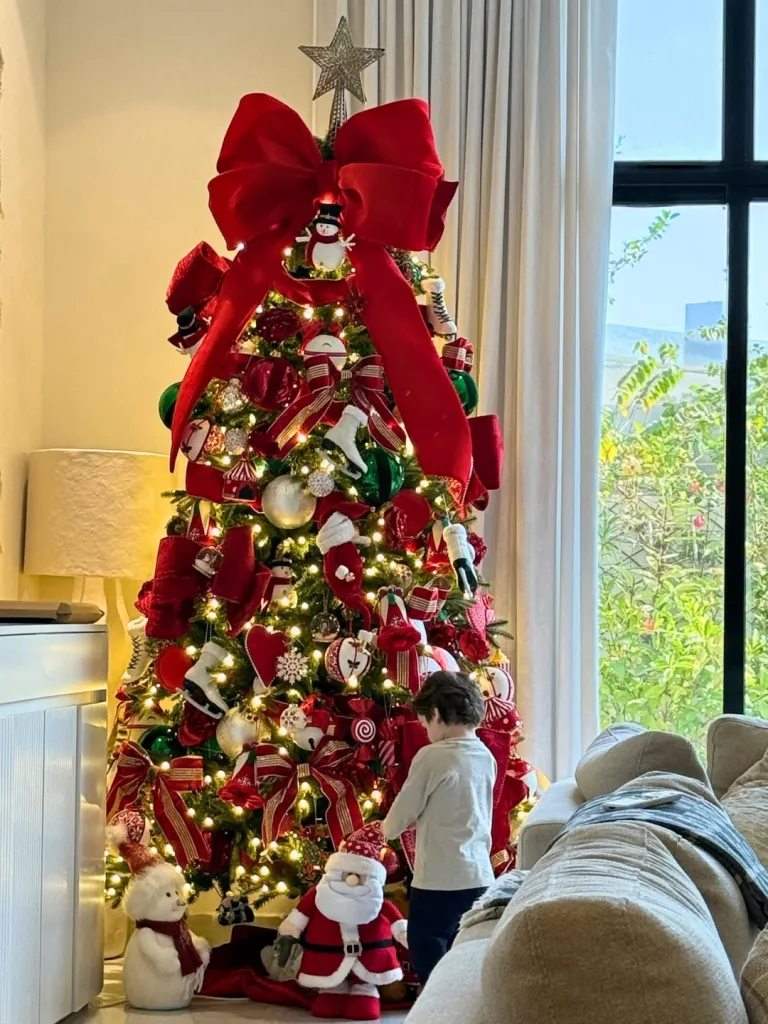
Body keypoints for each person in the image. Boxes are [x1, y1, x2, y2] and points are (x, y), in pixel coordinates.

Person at [383, 670, 496, 984]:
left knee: (427, 944)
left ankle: (440, 1005)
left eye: (424, 722)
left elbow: (402, 813)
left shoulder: (431, 757)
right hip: (479, 876)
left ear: (435, 713)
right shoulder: (485, 756)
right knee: (466, 949)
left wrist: (384, 829)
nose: (424, 729)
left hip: (438, 880)